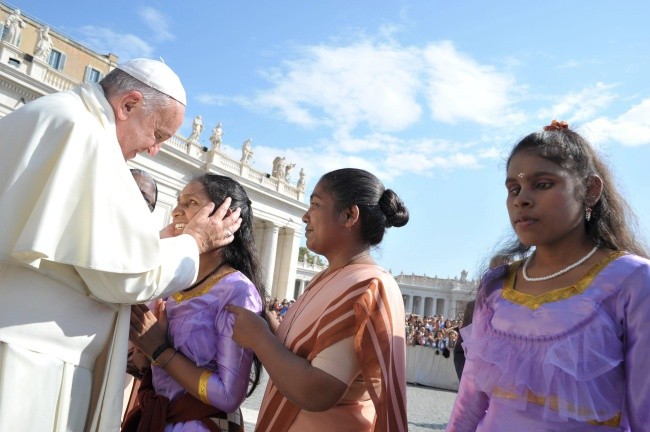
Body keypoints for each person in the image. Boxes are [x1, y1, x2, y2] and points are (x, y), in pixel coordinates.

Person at [0, 58, 242, 432]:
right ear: (128, 105)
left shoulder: (58, 117)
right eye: (158, 134)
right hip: (31, 357)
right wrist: (194, 241)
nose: (154, 150)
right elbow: (125, 278)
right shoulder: (87, 136)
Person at [446, 120, 650, 431]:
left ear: (591, 191)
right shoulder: (497, 284)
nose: (521, 199)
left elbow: (644, 413)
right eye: (513, 188)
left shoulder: (632, 281)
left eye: (542, 184)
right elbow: (470, 402)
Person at [228, 168, 410, 431]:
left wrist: (260, 338)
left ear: (349, 215)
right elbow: (308, 357)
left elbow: (318, 391)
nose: (305, 216)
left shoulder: (368, 285)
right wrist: (271, 328)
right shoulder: (327, 279)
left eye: (315, 205)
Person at [124, 174, 265, 431]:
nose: (176, 211)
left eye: (190, 203)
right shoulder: (172, 280)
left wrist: (159, 351)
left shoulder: (236, 291)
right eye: (179, 202)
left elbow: (229, 395)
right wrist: (144, 353)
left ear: (226, 217)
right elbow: (142, 364)